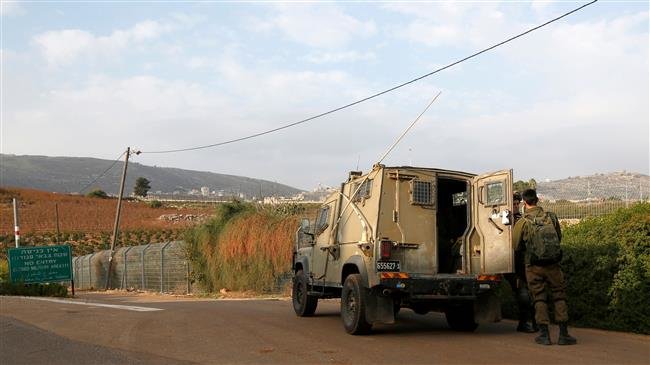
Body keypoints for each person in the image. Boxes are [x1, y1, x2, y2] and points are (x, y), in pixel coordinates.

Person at [513, 189, 577, 345]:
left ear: (524, 202)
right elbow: (559, 237)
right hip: (553, 264)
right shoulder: (551, 217)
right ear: (538, 199)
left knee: (539, 298)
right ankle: (563, 334)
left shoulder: (523, 222)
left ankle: (544, 335)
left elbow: (515, 246)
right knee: (559, 296)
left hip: (533, 266)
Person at [505, 192, 537, 333]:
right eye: (514, 203)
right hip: (513, 262)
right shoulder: (506, 220)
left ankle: (531, 322)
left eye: (518, 203)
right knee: (523, 291)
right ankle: (526, 322)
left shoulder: (522, 220)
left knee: (526, 291)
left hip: (522, 261)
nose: (516, 206)